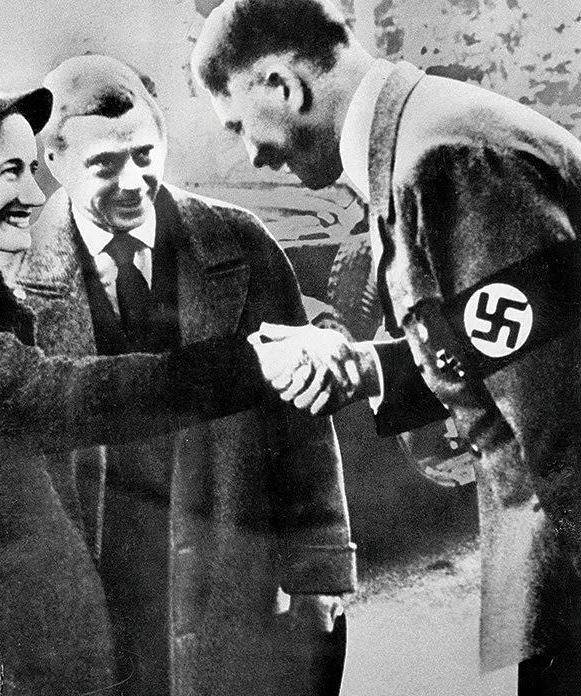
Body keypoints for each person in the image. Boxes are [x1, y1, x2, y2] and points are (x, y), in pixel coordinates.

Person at [192, 1, 581, 693]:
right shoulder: (425, 133)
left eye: (236, 125)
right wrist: (365, 365)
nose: (251, 154)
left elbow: (562, 435)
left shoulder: (445, 158)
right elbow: (509, 334)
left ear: (281, 85)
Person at [0, 80, 281, 696]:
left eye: (36, 169)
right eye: (12, 172)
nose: (37, 193)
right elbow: (53, 394)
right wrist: (256, 364)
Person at [0, 54, 355, 696]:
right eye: (104, 166)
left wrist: (319, 567)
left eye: (144, 154)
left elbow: (302, 422)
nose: (133, 181)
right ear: (53, 162)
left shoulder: (242, 245)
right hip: (97, 585)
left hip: (223, 569)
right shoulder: (12, 281)